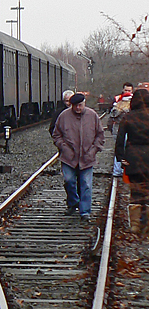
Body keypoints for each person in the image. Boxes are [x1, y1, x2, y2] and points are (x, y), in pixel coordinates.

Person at [51, 93, 106, 222]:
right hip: (68, 157)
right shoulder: (64, 116)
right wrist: (63, 147)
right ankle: (73, 202)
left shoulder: (92, 116)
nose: (78, 108)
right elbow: (56, 134)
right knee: (69, 180)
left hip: (87, 156)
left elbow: (100, 134)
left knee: (86, 184)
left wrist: (94, 149)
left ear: (84, 103)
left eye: (80, 105)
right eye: (75, 106)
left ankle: (85, 211)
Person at [115, 87, 149, 233]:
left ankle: (135, 225)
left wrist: (120, 157)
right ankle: (146, 223)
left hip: (133, 158)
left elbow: (120, 139)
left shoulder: (128, 117)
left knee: (135, 191)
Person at [111, 82, 135, 175]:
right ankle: (117, 170)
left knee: (128, 148)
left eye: (129, 90)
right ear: (123, 90)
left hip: (130, 130)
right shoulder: (117, 99)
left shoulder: (134, 101)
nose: (127, 92)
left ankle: (127, 169)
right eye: (126, 90)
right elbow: (112, 114)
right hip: (118, 128)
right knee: (119, 148)